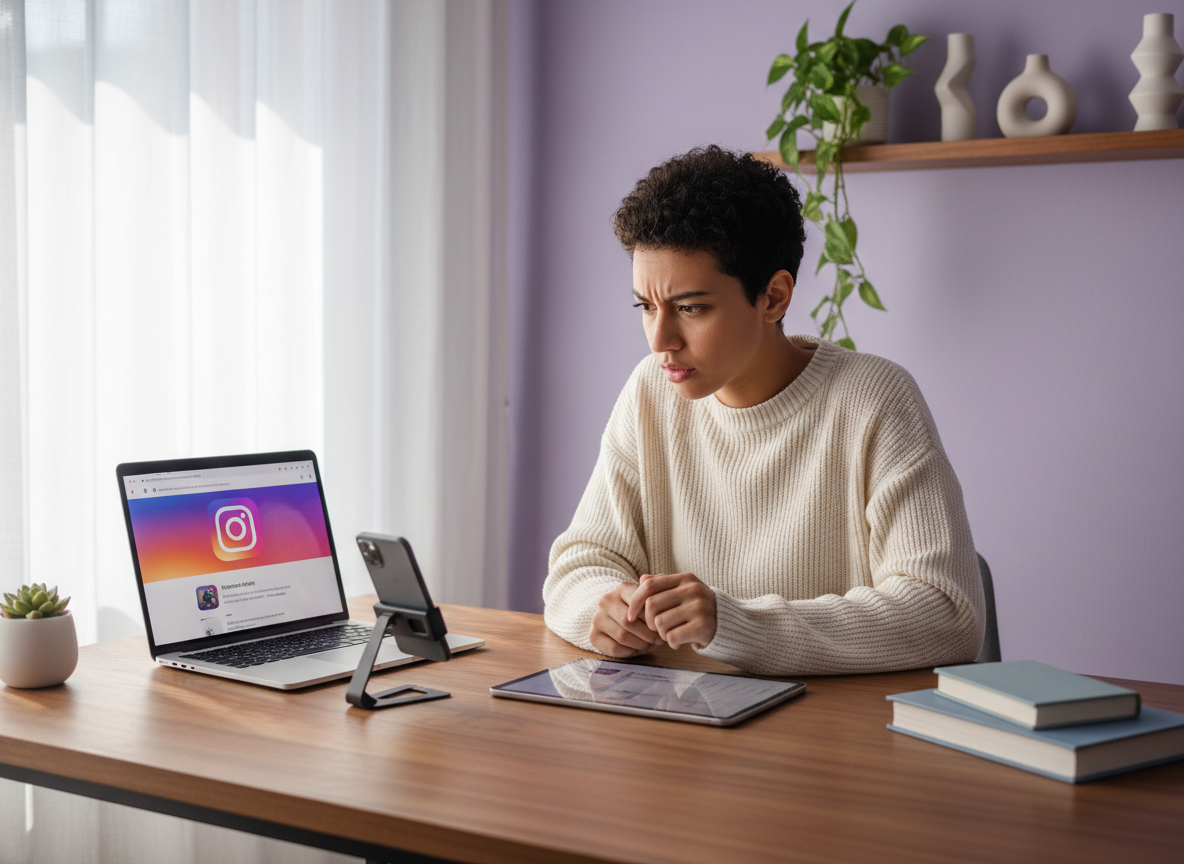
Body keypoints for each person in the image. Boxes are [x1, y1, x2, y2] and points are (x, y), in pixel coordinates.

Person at [542, 146, 985, 676]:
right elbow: (578, 567)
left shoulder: (876, 400)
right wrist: (603, 610)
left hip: (830, 724)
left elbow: (946, 611)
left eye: (690, 308)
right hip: (689, 718)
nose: (660, 340)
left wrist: (736, 625)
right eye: (646, 306)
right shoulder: (650, 393)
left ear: (773, 297)